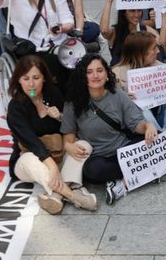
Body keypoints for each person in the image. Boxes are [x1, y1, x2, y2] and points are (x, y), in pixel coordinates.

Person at [6, 55, 98, 214]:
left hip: (59, 152)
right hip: (32, 156)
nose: (31, 84)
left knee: (84, 146)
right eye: (25, 78)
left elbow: (70, 127)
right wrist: (52, 167)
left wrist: (60, 117)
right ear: (18, 81)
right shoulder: (15, 107)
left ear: (44, 79)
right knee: (28, 160)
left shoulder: (53, 95)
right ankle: (73, 195)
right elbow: (31, 142)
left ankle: (56, 196)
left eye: (36, 78)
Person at [62, 54, 157, 205]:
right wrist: (69, 145)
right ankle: (139, 172)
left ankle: (124, 180)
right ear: (83, 76)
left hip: (124, 149)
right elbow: (69, 134)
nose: (95, 75)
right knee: (92, 171)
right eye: (89, 72)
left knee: (155, 141)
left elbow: (135, 123)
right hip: (99, 156)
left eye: (100, 70)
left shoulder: (117, 94)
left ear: (107, 73)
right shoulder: (72, 102)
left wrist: (148, 126)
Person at [110, 31, 166, 176]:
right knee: (137, 105)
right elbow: (110, 106)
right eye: (153, 49)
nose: (158, 51)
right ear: (140, 53)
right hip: (140, 126)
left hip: (162, 119)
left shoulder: (159, 66)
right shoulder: (116, 73)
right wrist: (123, 98)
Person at [99, 0, 166, 66]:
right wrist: (109, 1)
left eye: (139, 10)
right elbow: (103, 30)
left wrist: (164, 15)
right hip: (121, 73)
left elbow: (162, 42)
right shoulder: (115, 31)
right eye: (132, 11)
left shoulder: (144, 28)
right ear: (124, 13)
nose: (136, 15)